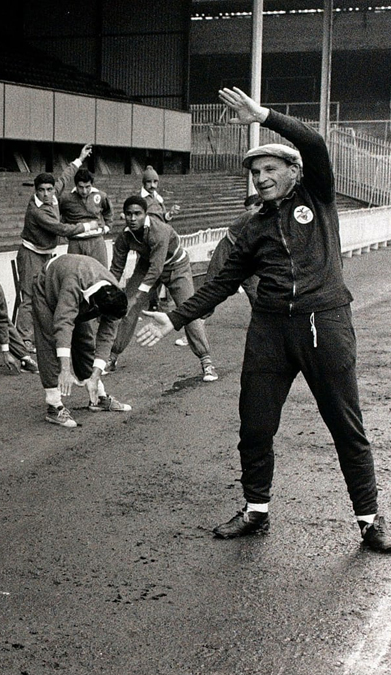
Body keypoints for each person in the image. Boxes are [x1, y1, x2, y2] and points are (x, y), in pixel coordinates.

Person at [136, 87, 391, 551]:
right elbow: (220, 284)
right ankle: (256, 510)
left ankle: (370, 520)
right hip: (270, 331)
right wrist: (174, 319)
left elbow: (313, 144)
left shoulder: (317, 196)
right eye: (255, 172)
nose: (262, 177)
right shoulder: (252, 226)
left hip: (325, 325)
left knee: (345, 426)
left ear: (293, 172)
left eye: (270, 169)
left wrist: (264, 116)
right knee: (255, 426)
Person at [105, 196, 217, 382]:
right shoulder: (124, 236)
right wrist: (109, 291)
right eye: (129, 214)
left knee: (189, 309)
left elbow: (156, 269)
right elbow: (116, 268)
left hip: (176, 267)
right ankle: (112, 356)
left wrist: (137, 295)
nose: (133, 218)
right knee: (127, 306)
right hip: (146, 266)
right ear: (123, 216)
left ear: (145, 214)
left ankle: (206, 361)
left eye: (137, 214)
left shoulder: (159, 231)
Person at [15, 144, 105, 354]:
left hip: (45, 254)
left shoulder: (54, 193)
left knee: (45, 296)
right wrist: (87, 226)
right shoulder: (37, 211)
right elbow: (61, 228)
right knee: (28, 297)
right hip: (31, 254)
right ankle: (23, 341)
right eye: (42, 191)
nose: (47, 194)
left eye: (49, 189)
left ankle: (42, 334)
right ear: (35, 191)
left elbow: (66, 175)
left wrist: (80, 158)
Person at [32, 254, 131, 429]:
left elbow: (106, 337)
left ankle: (98, 397)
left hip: (80, 287)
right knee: (50, 341)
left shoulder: (114, 295)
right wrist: (64, 369)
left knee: (85, 341)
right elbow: (63, 323)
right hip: (47, 288)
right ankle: (54, 406)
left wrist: (95, 374)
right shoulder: (74, 283)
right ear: (96, 307)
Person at [203, 194, 262, 306]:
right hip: (228, 248)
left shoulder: (265, 215)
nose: (248, 212)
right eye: (247, 210)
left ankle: (263, 321)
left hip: (246, 255)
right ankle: (196, 319)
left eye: (250, 209)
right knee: (211, 287)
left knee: (256, 291)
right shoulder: (251, 215)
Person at [58, 147, 113, 268]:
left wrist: (108, 226)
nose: (84, 190)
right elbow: (57, 215)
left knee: (100, 272)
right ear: (76, 185)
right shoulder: (66, 198)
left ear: (91, 184)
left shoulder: (101, 196)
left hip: (96, 240)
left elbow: (108, 211)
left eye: (87, 187)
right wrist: (64, 231)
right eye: (81, 187)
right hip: (76, 241)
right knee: (74, 274)